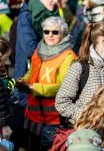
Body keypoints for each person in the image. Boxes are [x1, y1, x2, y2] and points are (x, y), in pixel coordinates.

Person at [16, 16, 77, 150]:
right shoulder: (39, 50)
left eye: (55, 32)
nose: (49, 35)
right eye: (46, 31)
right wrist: (23, 80)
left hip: (52, 120)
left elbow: (65, 87)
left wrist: (37, 88)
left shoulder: (68, 56)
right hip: (33, 116)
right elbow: (32, 73)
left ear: (63, 34)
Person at [55, 21, 104, 125]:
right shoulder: (79, 68)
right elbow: (61, 103)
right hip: (83, 134)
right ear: (102, 41)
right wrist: (88, 118)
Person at [14, 0, 59, 79]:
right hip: (27, 76)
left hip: (49, 73)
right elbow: (30, 48)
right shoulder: (26, 16)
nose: (56, 0)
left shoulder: (54, 15)